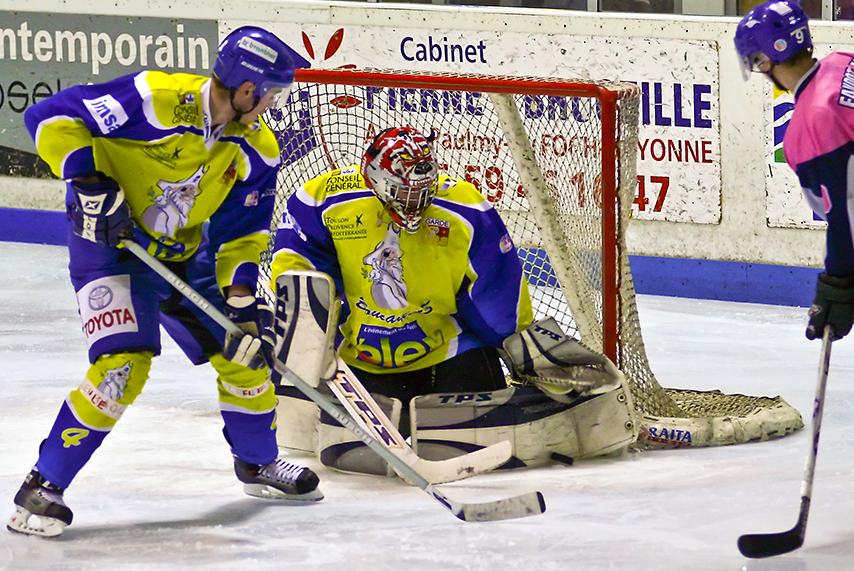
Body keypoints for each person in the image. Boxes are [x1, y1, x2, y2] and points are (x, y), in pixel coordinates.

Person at [8, 26, 322, 539]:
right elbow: (50, 116)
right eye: (271, 92)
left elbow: (244, 234)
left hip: (188, 257)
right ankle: (42, 485)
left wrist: (240, 301)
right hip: (112, 251)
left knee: (245, 352)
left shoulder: (259, 149)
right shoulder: (155, 97)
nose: (272, 103)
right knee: (122, 366)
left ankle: (257, 462)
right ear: (246, 89)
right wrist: (89, 181)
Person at [270, 127, 535, 441]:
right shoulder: (323, 200)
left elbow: (497, 289)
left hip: (451, 355)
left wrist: (521, 349)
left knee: (476, 440)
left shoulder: (465, 208)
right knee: (344, 448)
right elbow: (298, 273)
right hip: (362, 360)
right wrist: (309, 341)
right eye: (406, 193)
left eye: (423, 191)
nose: (416, 203)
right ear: (377, 180)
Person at [735, 0, 854, 494]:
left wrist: (837, 281)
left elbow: (852, 211)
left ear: (764, 60)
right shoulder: (848, 64)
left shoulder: (815, 118)